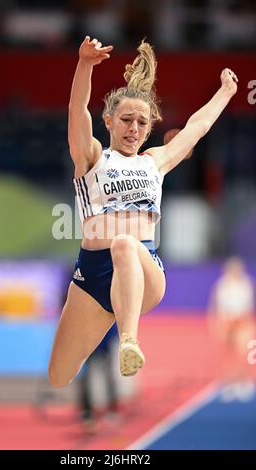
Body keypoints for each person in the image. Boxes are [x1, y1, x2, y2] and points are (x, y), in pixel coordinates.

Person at [48, 35, 238, 388]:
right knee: (59, 376)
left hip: (144, 269)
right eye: (125, 120)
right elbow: (76, 114)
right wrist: (85, 65)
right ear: (108, 121)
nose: (133, 129)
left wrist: (225, 92)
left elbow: (197, 128)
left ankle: (129, 341)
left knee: (122, 243)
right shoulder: (92, 156)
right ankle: (118, 335)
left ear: (151, 127)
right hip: (92, 276)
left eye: (141, 122)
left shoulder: (155, 162)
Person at [208, 257, 255, 401]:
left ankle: (244, 381)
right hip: (226, 321)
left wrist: (246, 323)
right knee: (227, 354)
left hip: (241, 321)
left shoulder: (245, 284)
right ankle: (229, 382)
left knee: (242, 353)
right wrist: (215, 322)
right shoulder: (222, 284)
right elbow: (215, 305)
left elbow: (249, 305)